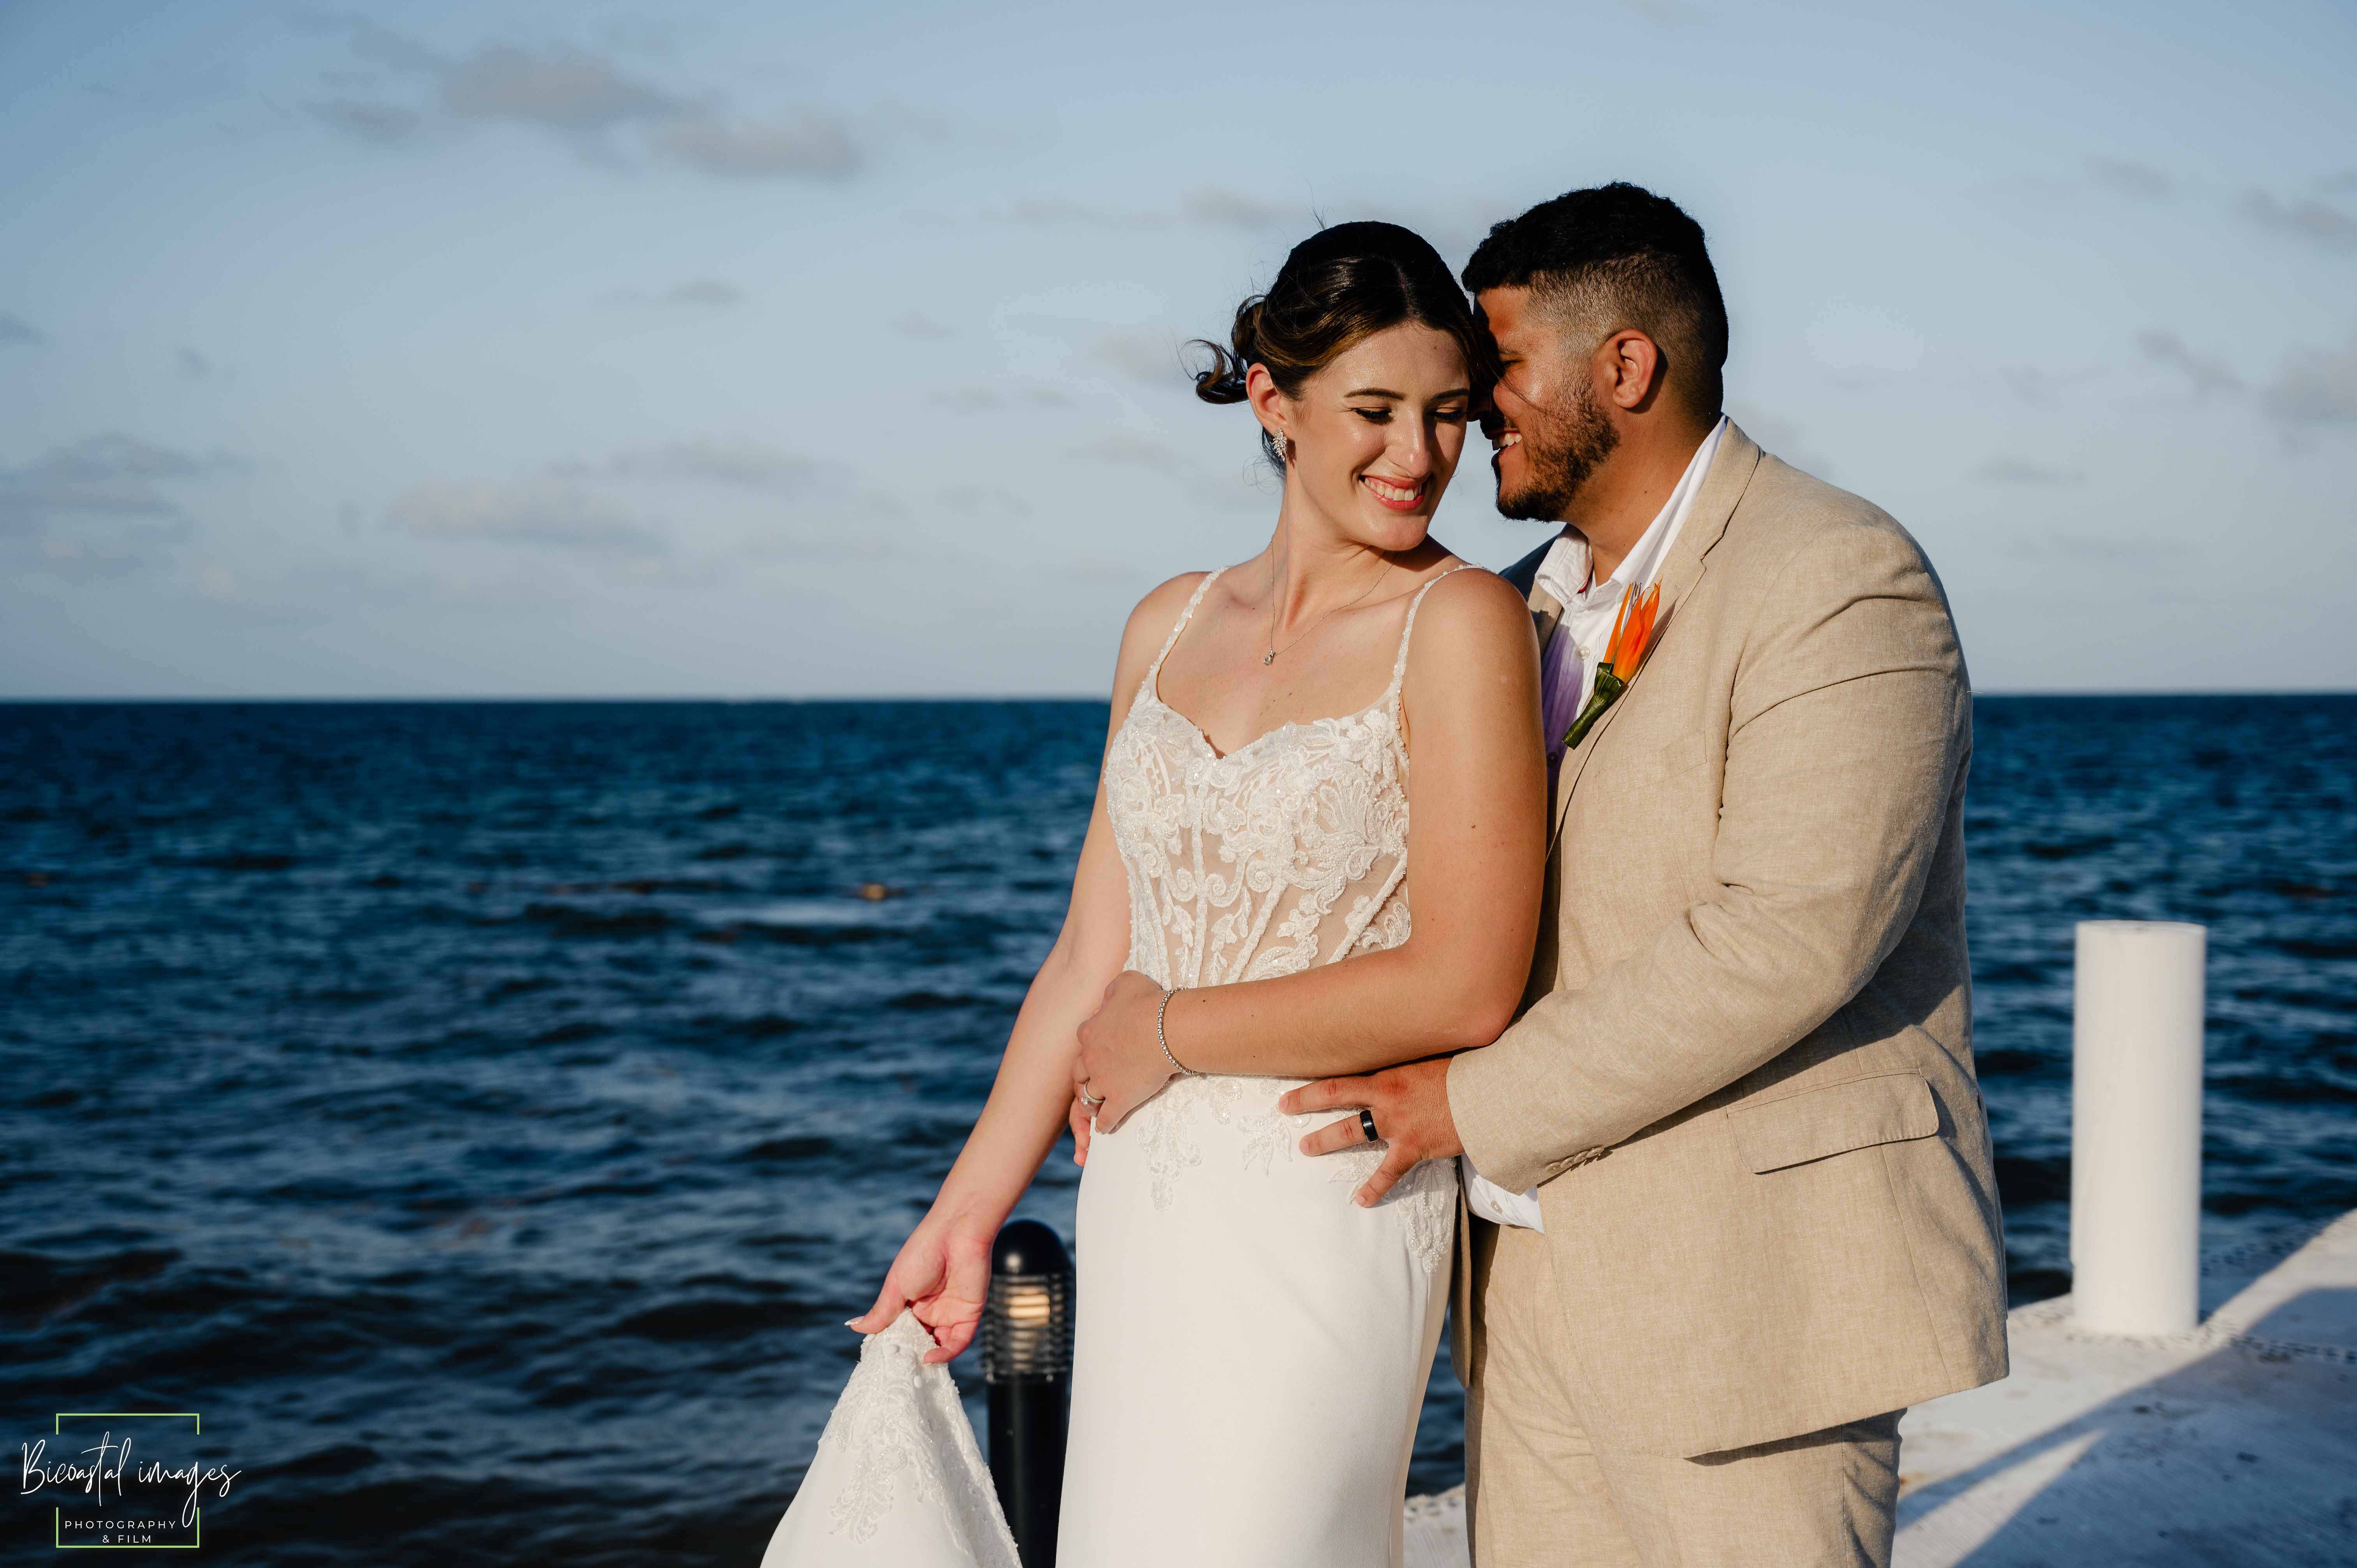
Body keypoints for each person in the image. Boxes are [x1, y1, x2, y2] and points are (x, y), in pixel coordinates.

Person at [1256, 184, 2011, 1566]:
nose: (1478, 404)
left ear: (1625, 366)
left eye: (1504, 365)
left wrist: (1465, 1104)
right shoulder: (1521, 598)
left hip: (1755, 1301)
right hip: (1537, 1285)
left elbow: (1789, 935)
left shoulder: (1839, 575)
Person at [786, 221, 1548, 1568]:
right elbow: (1090, 955)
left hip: (1328, 1199)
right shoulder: (1168, 623)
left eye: (1444, 415)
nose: (1419, 457)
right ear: (1274, 397)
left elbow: (1469, 981)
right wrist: (960, 1221)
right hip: (1141, 1203)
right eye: (1374, 411)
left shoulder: (1463, 622)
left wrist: (1174, 1030)